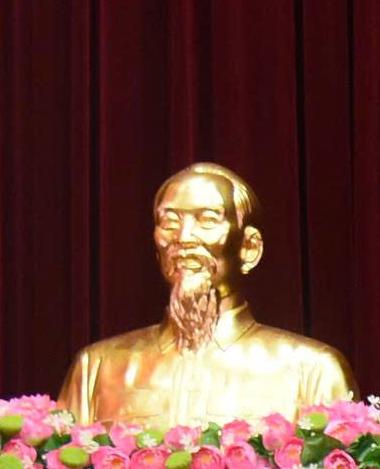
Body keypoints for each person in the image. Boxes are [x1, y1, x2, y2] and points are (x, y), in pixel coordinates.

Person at [58, 162, 354, 430]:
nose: (184, 237)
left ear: (249, 247)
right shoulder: (97, 367)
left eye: (207, 220)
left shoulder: (313, 370)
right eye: (169, 222)